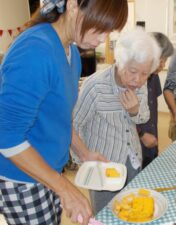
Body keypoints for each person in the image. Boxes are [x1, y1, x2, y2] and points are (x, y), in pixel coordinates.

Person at [0, 0, 128, 224]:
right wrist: (65, 188)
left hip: (48, 170)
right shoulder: (36, 51)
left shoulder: (71, 52)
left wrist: (84, 153)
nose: (102, 39)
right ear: (72, 6)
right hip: (22, 178)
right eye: (99, 29)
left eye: (109, 32)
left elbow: (61, 118)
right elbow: (6, 137)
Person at [72, 28, 161, 213]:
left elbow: (144, 116)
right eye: (133, 71)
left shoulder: (141, 85)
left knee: (131, 210)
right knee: (106, 214)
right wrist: (83, 158)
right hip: (104, 169)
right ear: (120, 62)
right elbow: (74, 124)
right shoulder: (95, 86)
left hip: (133, 159)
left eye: (145, 74)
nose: (137, 80)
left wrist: (135, 110)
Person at [136, 32, 174, 169]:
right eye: (160, 60)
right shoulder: (133, 79)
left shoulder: (154, 76)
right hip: (135, 141)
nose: (163, 65)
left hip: (151, 139)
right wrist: (141, 134)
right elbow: (122, 116)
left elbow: (153, 110)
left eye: (165, 60)